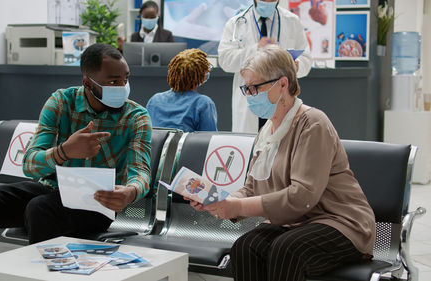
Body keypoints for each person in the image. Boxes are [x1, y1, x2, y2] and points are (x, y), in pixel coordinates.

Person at [0, 43, 152, 281]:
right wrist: (64, 151)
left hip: (96, 202)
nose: (123, 87)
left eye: (126, 79)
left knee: (39, 209)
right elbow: (30, 164)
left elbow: (140, 169)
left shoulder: (136, 116)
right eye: (113, 82)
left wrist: (131, 192)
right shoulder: (61, 102)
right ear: (88, 83)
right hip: (50, 189)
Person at [188, 45, 375, 281]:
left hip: (341, 223)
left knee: (286, 251)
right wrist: (220, 200)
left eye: (255, 88)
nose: (250, 96)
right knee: (245, 247)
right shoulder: (267, 131)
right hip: (296, 224)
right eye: (246, 89)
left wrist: (237, 207)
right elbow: (252, 187)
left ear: (283, 84)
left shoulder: (312, 123)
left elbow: (302, 196)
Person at [218, 0, 312, 133]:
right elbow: (225, 59)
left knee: (281, 145)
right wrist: (256, 50)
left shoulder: (292, 21)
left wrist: (295, 66)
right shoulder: (237, 23)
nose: (268, 2)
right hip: (251, 101)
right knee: (250, 146)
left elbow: (306, 58)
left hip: (280, 96)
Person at [146, 48, 217, 132]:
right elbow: (208, 139)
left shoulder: (155, 100)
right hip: (186, 145)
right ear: (201, 76)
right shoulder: (203, 103)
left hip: (156, 145)